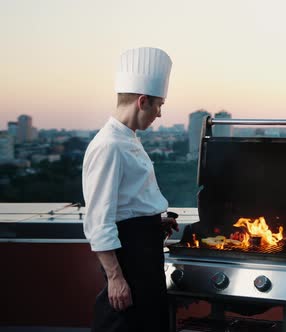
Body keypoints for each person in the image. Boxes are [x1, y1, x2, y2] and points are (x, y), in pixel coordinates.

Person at [82, 47, 179, 332]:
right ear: (143, 101)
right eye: (159, 105)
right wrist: (115, 278)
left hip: (144, 249)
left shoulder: (129, 139)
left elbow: (127, 202)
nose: (160, 114)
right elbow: (98, 221)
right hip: (128, 260)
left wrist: (153, 223)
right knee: (122, 324)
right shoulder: (109, 145)